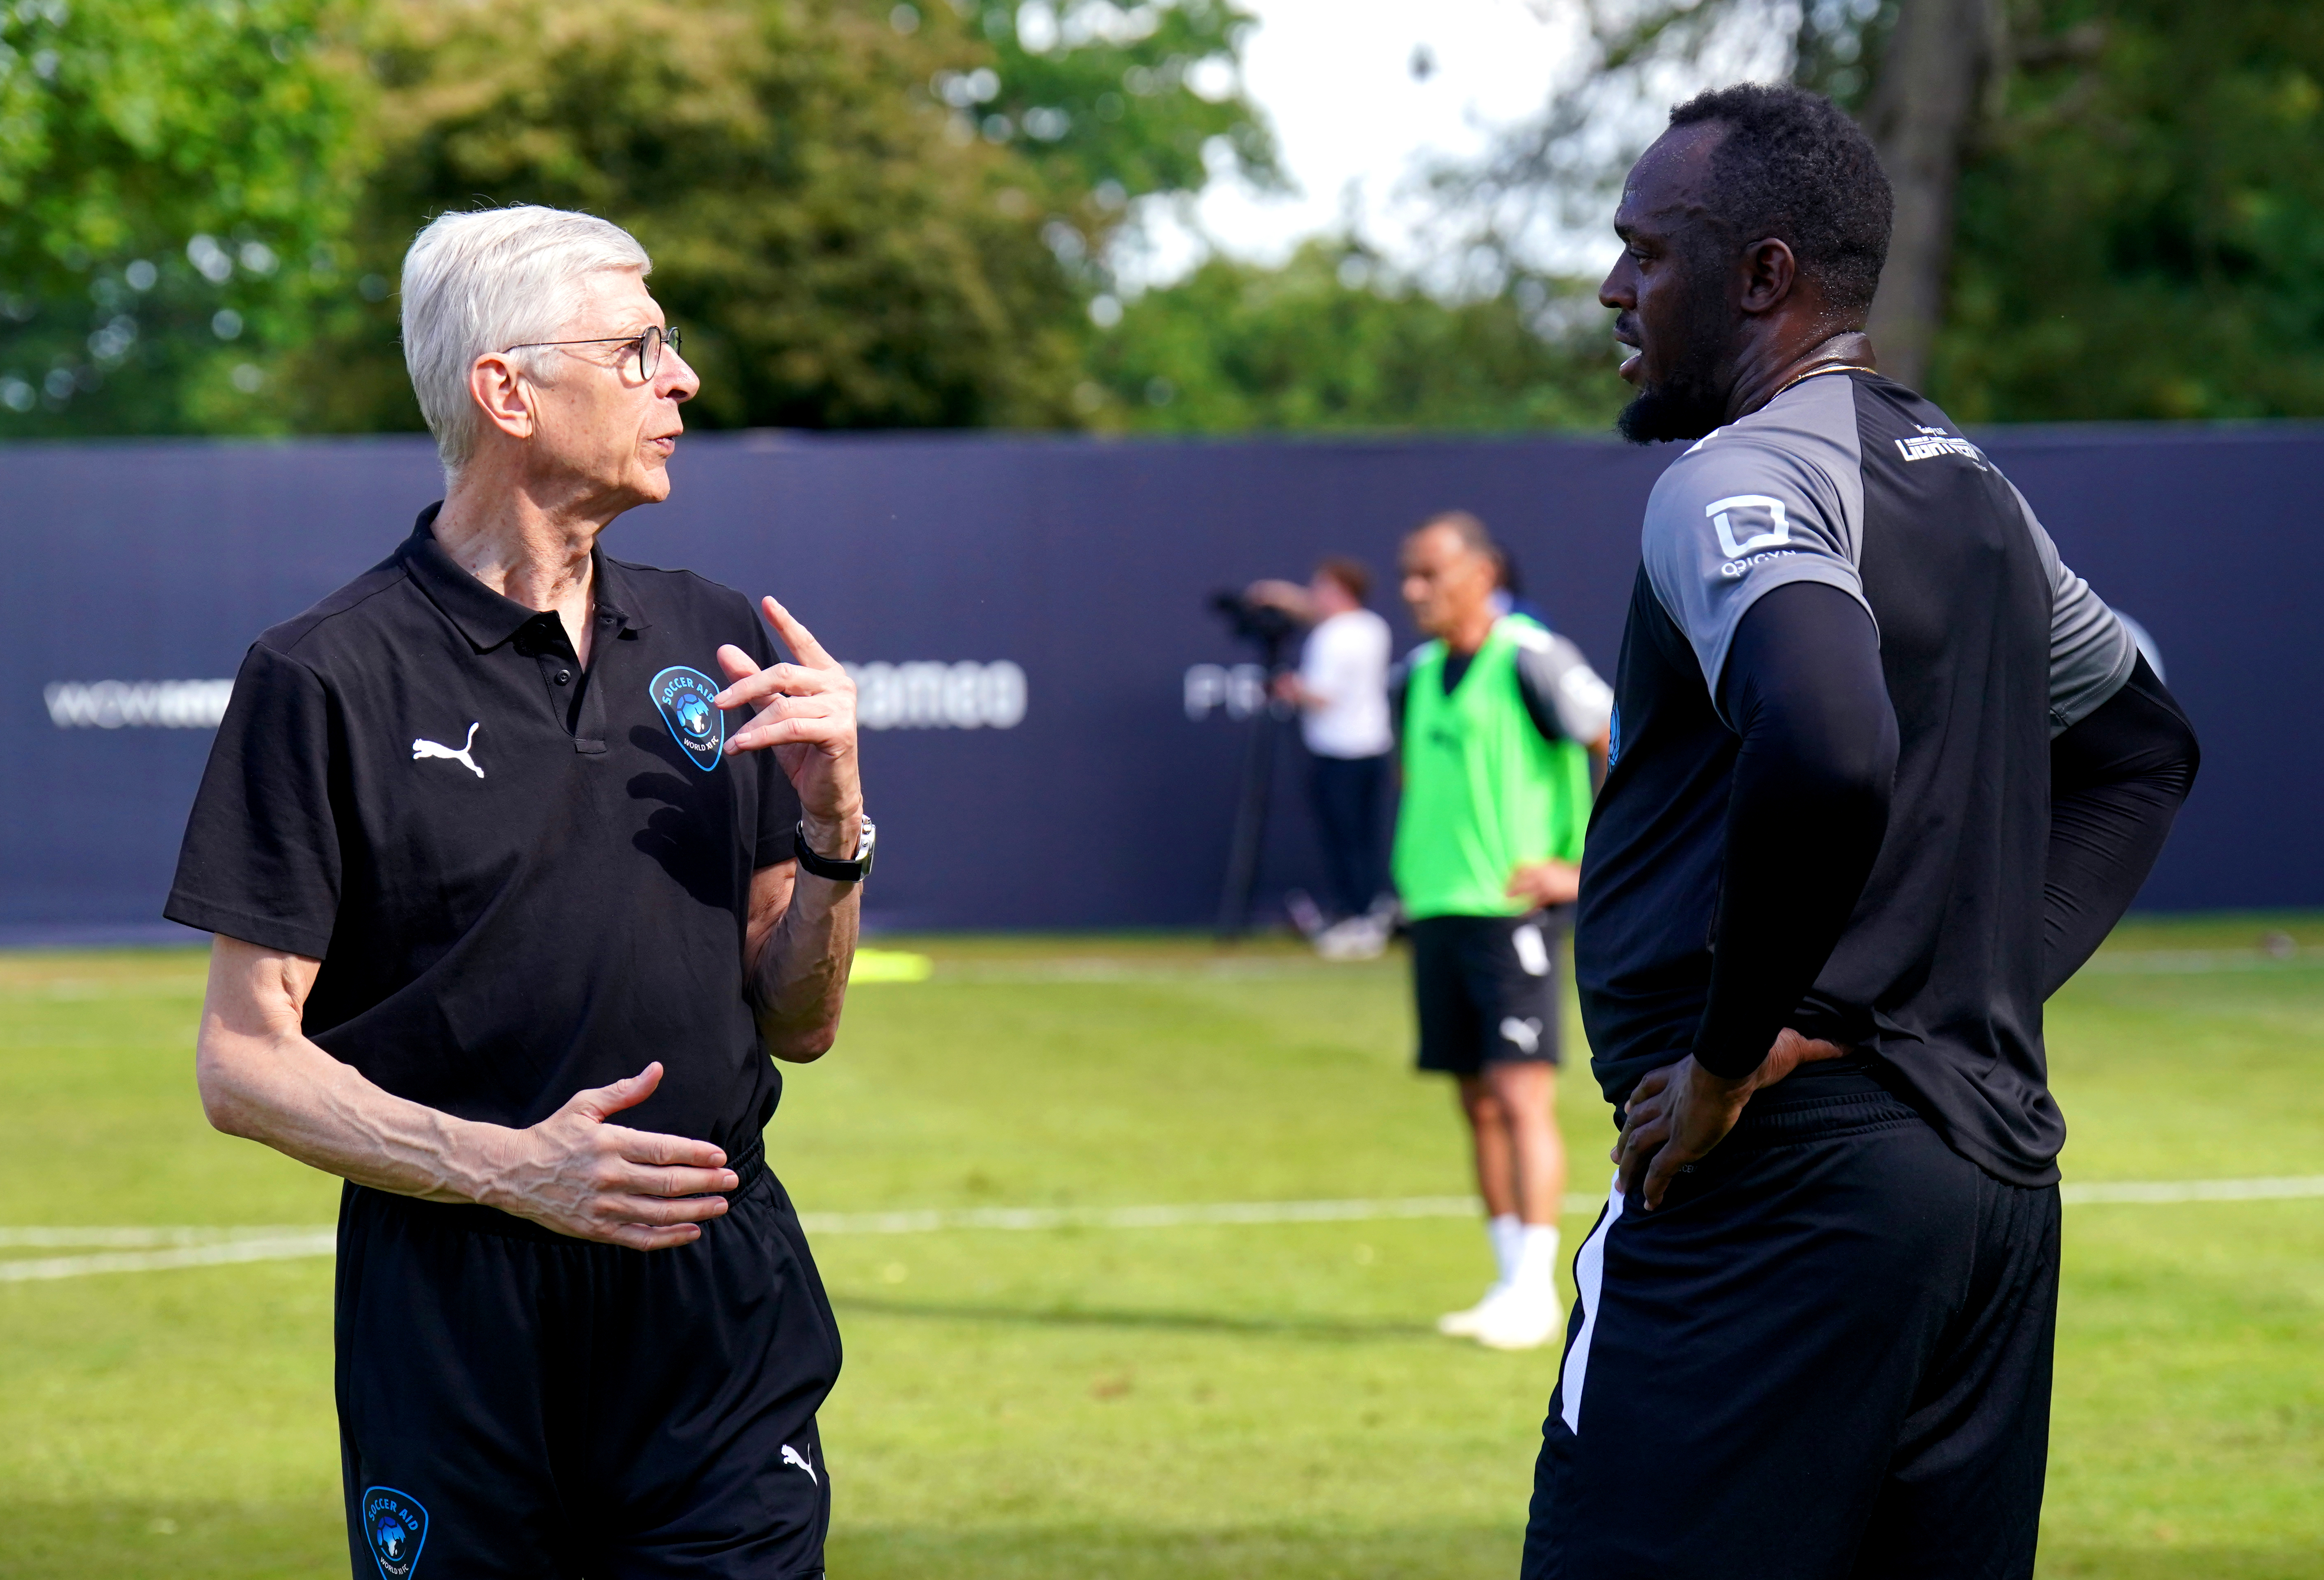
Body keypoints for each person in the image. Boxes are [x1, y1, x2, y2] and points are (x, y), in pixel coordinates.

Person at [1528, 86, 2199, 1577]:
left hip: (1777, 1184)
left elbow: (1828, 742)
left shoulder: (1739, 474)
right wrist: (1946, 1005)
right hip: (1989, 1194)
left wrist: (1727, 1055)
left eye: (1648, 251)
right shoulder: (1975, 495)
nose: (1612, 287)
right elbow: (2144, 742)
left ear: (1763, 277)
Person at [166, 206, 872, 1580]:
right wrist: (517, 1173)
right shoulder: (325, 675)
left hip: (714, 1301)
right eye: (639, 347)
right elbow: (243, 1065)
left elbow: (799, 1018)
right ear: (508, 390)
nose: (683, 382)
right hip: (454, 1306)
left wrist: (838, 820)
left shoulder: (708, 633)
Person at [1391, 511, 1613, 1351]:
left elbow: (1622, 735)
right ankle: (1505, 1279)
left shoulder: (1531, 657)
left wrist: (1584, 866)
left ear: (1481, 574)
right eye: (1408, 575)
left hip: (1511, 912)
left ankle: (1535, 1289)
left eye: (1430, 573)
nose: (1414, 591)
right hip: (1438, 905)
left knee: (1520, 1094)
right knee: (1475, 1099)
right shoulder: (1413, 673)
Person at [1248, 558, 1396, 957]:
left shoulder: (1332, 636)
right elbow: (1318, 611)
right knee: (1365, 840)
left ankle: (1357, 920)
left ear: (1339, 591)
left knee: (1345, 841)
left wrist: (1287, 687)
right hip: (1374, 748)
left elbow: (1323, 695)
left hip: (1338, 751)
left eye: (1320, 588)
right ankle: (1369, 915)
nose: (1314, 596)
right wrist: (1284, 596)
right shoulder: (1372, 627)